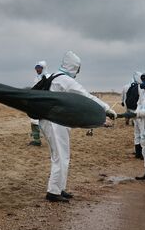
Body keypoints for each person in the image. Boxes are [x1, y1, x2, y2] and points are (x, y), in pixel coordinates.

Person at [40, 51, 117, 202]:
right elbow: (86, 96)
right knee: (60, 156)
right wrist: (106, 108)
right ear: (74, 67)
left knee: (63, 155)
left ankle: (60, 188)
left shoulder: (53, 76)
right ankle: (53, 192)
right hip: (54, 121)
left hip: (54, 120)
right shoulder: (65, 80)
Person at [122, 71, 142, 158]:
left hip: (131, 110)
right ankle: (141, 154)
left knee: (136, 133)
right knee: (142, 133)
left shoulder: (132, 87)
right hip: (139, 113)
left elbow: (125, 97)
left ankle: (137, 153)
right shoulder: (141, 88)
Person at [29, 60, 47, 146]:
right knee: (34, 121)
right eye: (36, 68)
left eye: (39, 68)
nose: (37, 69)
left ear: (43, 68)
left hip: (43, 102)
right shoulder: (36, 78)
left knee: (44, 123)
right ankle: (37, 140)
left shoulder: (46, 77)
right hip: (35, 102)